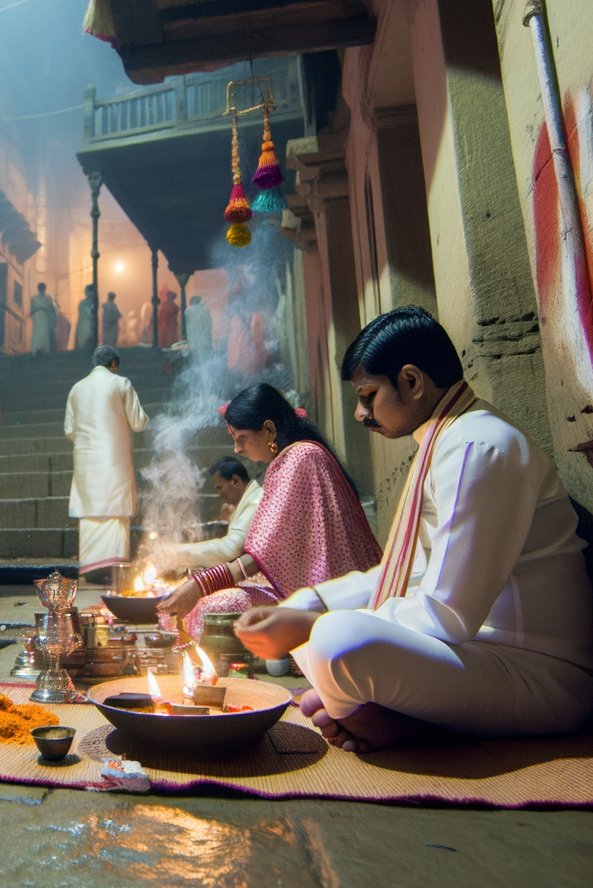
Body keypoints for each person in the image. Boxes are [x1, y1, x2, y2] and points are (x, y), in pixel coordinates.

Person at [235, 307, 593, 752]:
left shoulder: (476, 447)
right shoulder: (444, 441)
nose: (360, 414)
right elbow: (407, 575)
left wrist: (315, 621)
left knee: (333, 640)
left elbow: (448, 613)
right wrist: (311, 602)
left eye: (368, 396)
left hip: (538, 674)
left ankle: (403, 720)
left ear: (412, 382)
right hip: (476, 654)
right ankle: (395, 715)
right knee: (310, 622)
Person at [159, 384, 381, 642]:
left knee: (214, 606)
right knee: (215, 602)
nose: (237, 449)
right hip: (305, 589)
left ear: (269, 430)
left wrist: (201, 584)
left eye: (240, 438)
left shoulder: (301, 458)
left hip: (332, 598)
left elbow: (264, 552)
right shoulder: (292, 458)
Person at [65, 345, 149, 580]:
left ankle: (93, 570)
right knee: (114, 509)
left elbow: (69, 429)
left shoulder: (76, 388)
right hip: (113, 458)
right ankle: (112, 570)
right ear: (113, 363)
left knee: (91, 511)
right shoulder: (121, 384)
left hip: (86, 461)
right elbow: (138, 422)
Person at [151, 457, 263, 575]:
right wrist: (231, 517)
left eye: (220, 487)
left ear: (235, 481)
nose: (219, 494)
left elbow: (230, 549)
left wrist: (175, 552)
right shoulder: (251, 498)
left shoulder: (255, 502)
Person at [29, 282, 56, 354]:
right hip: (37, 317)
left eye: (42, 288)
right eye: (40, 288)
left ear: (45, 289)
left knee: (44, 332)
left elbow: (52, 309)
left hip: (45, 317)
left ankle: (43, 348)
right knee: (37, 332)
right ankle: (36, 348)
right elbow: (32, 310)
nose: (41, 289)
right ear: (38, 289)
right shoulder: (34, 298)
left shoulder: (48, 298)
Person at [75, 283, 96, 354]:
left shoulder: (90, 303)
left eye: (86, 291)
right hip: (84, 326)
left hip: (87, 327)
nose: (85, 293)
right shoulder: (84, 303)